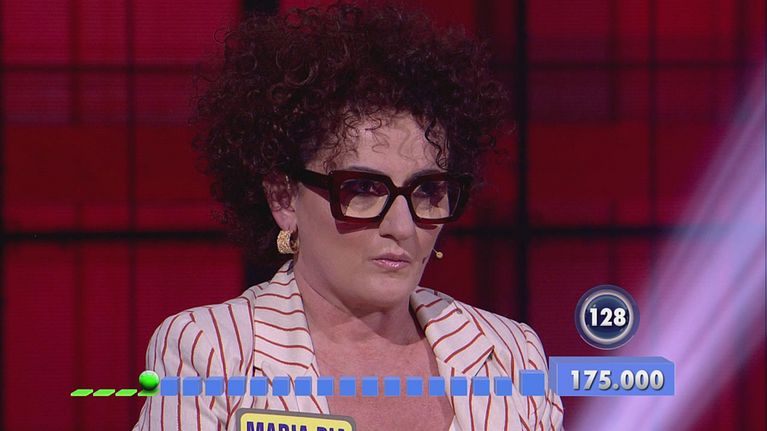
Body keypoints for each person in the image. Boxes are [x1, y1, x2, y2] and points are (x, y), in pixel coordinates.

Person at [133, 2, 564, 430]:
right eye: (363, 190)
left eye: (427, 191)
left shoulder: (510, 354)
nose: (402, 227)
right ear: (284, 198)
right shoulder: (213, 350)